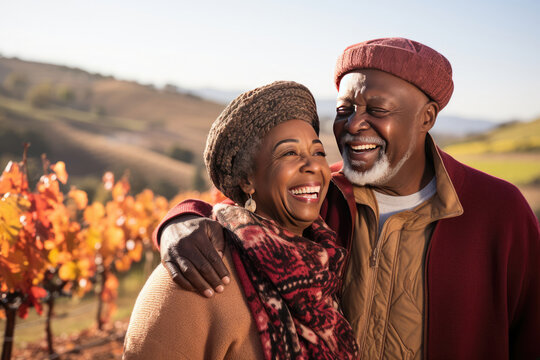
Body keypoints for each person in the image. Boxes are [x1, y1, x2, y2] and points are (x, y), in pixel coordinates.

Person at [155, 38, 540, 359]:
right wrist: (180, 220)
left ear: (427, 118)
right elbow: (236, 211)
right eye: (345, 109)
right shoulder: (318, 194)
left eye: (376, 110)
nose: (354, 124)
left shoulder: (499, 212)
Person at [124, 81, 358, 359]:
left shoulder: (325, 264)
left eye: (318, 152)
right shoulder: (197, 273)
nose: (312, 165)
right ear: (247, 180)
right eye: (289, 153)